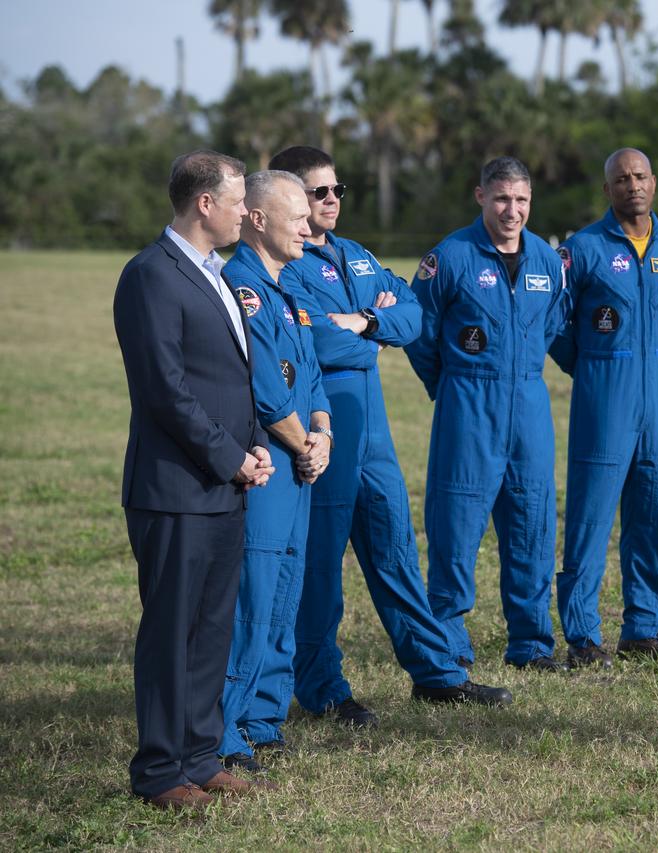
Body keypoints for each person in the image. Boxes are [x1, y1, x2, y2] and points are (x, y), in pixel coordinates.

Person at [271, 145, 511, 721]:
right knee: (322, 565)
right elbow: (314, 344)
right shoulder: (283, 265)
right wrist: (372, 336)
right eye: (317, 192)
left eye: (337, 190)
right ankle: (324, 689)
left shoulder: (356, 254)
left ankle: (437, 674)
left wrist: (369, 323)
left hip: (372, 430)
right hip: (322, 422)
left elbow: (414, 316)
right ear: (286, 200)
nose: (331, 201)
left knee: (396, 549)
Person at [113, 150, 277, 810]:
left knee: (212, 628)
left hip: (224, 484)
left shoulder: (217, 274)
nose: (248, 210)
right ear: (204, 203)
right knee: (171, 632)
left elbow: (234, 379)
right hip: (175, 488)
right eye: (238, 199)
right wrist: (228, 456)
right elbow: (165, 391)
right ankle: (158, 770)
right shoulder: (151, 275)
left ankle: (200, 754)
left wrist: (257, 445)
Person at [404, 156, 570, 671]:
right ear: (481, 197)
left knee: (532, 524)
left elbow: (553, 327)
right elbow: (419, 330)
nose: (512, 210)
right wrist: (450, 384)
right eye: (502, 199)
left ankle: (531, 643)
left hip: (529, 405)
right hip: (467, 404)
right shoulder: (449, 257)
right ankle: (448, 642)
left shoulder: (547, 261)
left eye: (521, 200)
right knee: (456, 524)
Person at [548, 148, 658, 667]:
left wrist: (652, 352)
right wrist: (593, 364)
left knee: (652, 512)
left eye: (640, 176)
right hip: (603, 392)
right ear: (607, 188)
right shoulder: (582, 249)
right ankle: (583, 636)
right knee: (590, 516)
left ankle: (643, 628)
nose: (632, 185)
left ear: (654, 183)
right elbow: (555, 322)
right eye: (621, 179)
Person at [218, 170, 331, 772]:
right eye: (298, 217)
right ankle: (226, 728)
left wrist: (324, 435)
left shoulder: (290, 290)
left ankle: (264, 716)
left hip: (300, 467)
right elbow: (266, 392)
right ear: (257, 220)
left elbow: (311, 377)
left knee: (286, 593)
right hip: (267, 467)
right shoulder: (244, 288)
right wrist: (303, 445)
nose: (310, 226)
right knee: (253, 598)